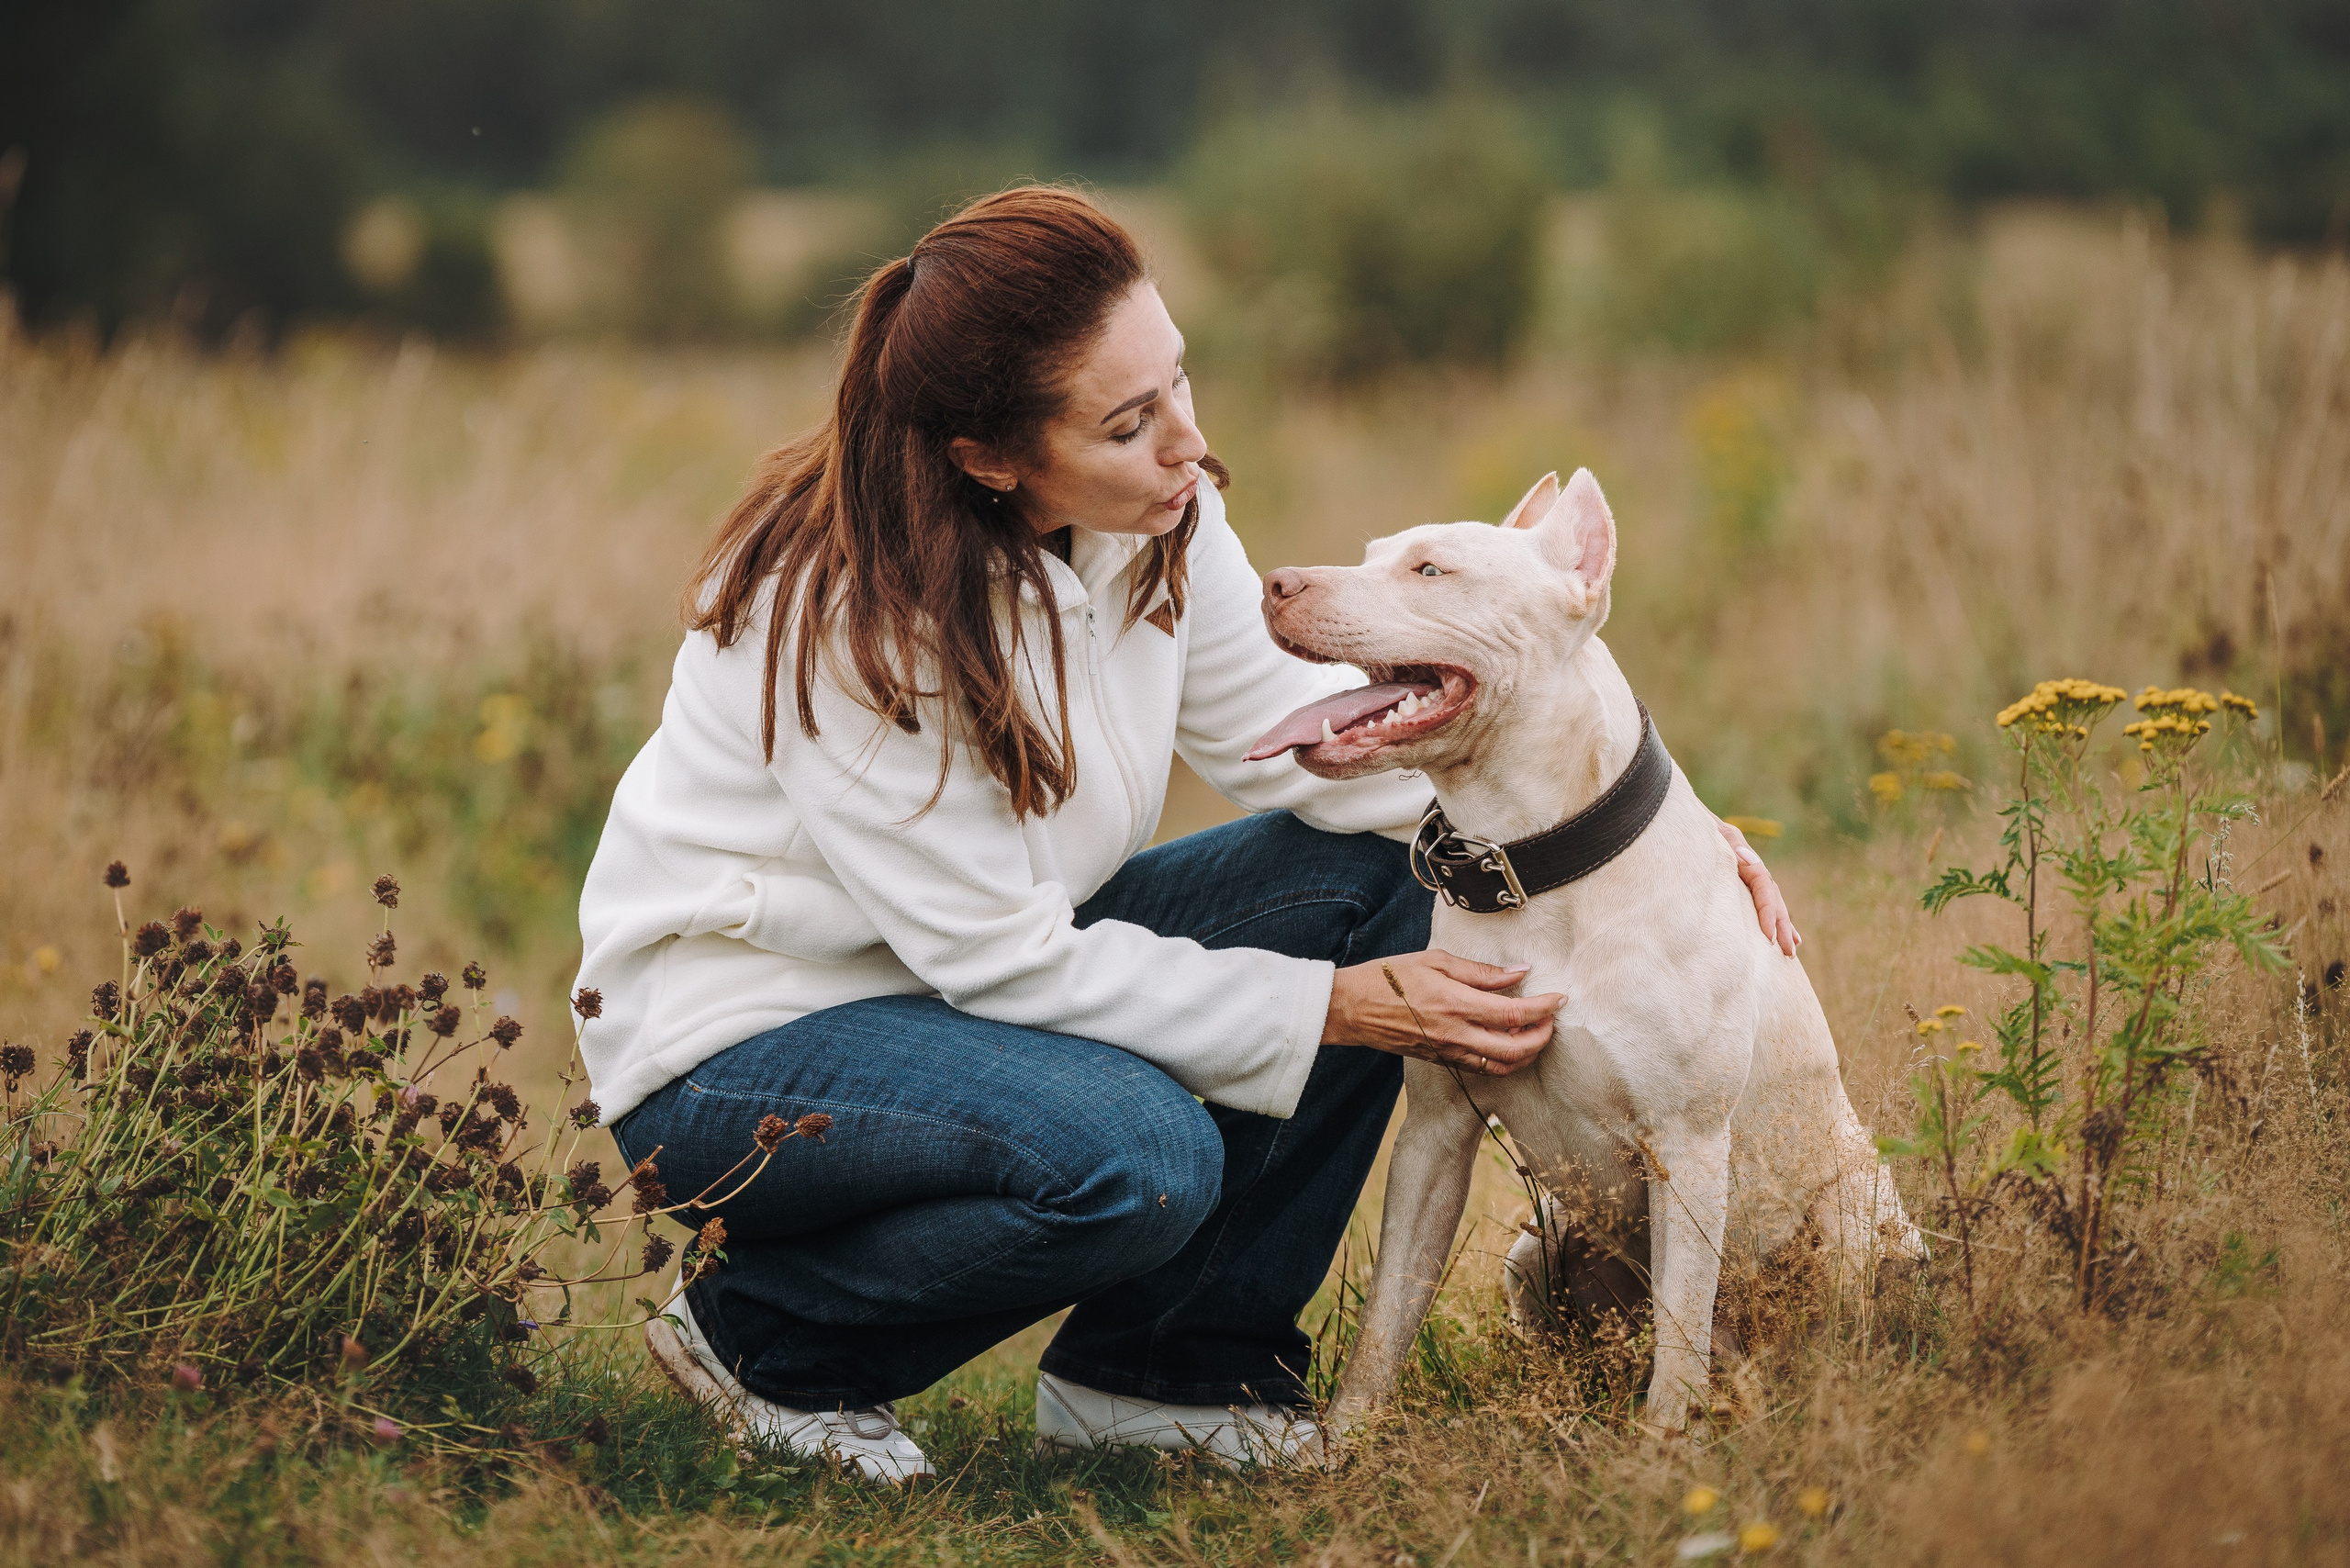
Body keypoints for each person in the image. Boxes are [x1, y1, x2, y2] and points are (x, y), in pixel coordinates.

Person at [572, 185, 1799, 1483]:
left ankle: (1165, 1371)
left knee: (1388, 874)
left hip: (962, 983)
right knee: (1135, 1156)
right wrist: (1335, 1008)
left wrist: (1657, 828)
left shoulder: (1157, 518)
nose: (1188, 444)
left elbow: (1319, 748)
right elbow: (1007, 966)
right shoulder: (841, 617)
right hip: (744, 1055)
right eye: (1127, 422)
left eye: (1178, 383)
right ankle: (771, 1345)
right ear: (988, 456)